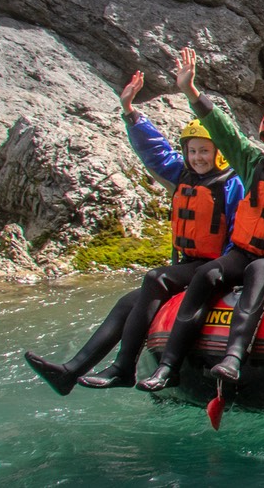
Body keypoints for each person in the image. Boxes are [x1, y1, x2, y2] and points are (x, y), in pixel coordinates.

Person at [23, 71, 245, 394]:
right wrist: (130, 111)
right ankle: (70, 372)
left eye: (204, 151)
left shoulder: (231, 183)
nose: (198, 158)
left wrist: (222, 276)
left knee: (156, 278)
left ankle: (123, 367)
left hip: (214, 268)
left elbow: (238, 231)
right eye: (193, 151)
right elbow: (156, 151)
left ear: (218, 152)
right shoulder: (182, 174)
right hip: (189, 263)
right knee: (130, 302)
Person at [137, 47, 264, 392]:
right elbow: (224, 132)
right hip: (244, 250)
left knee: (259, 271)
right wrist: (191, 92)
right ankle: (168, 366)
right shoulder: (253, 164)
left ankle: (233, 357)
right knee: (207, 273)